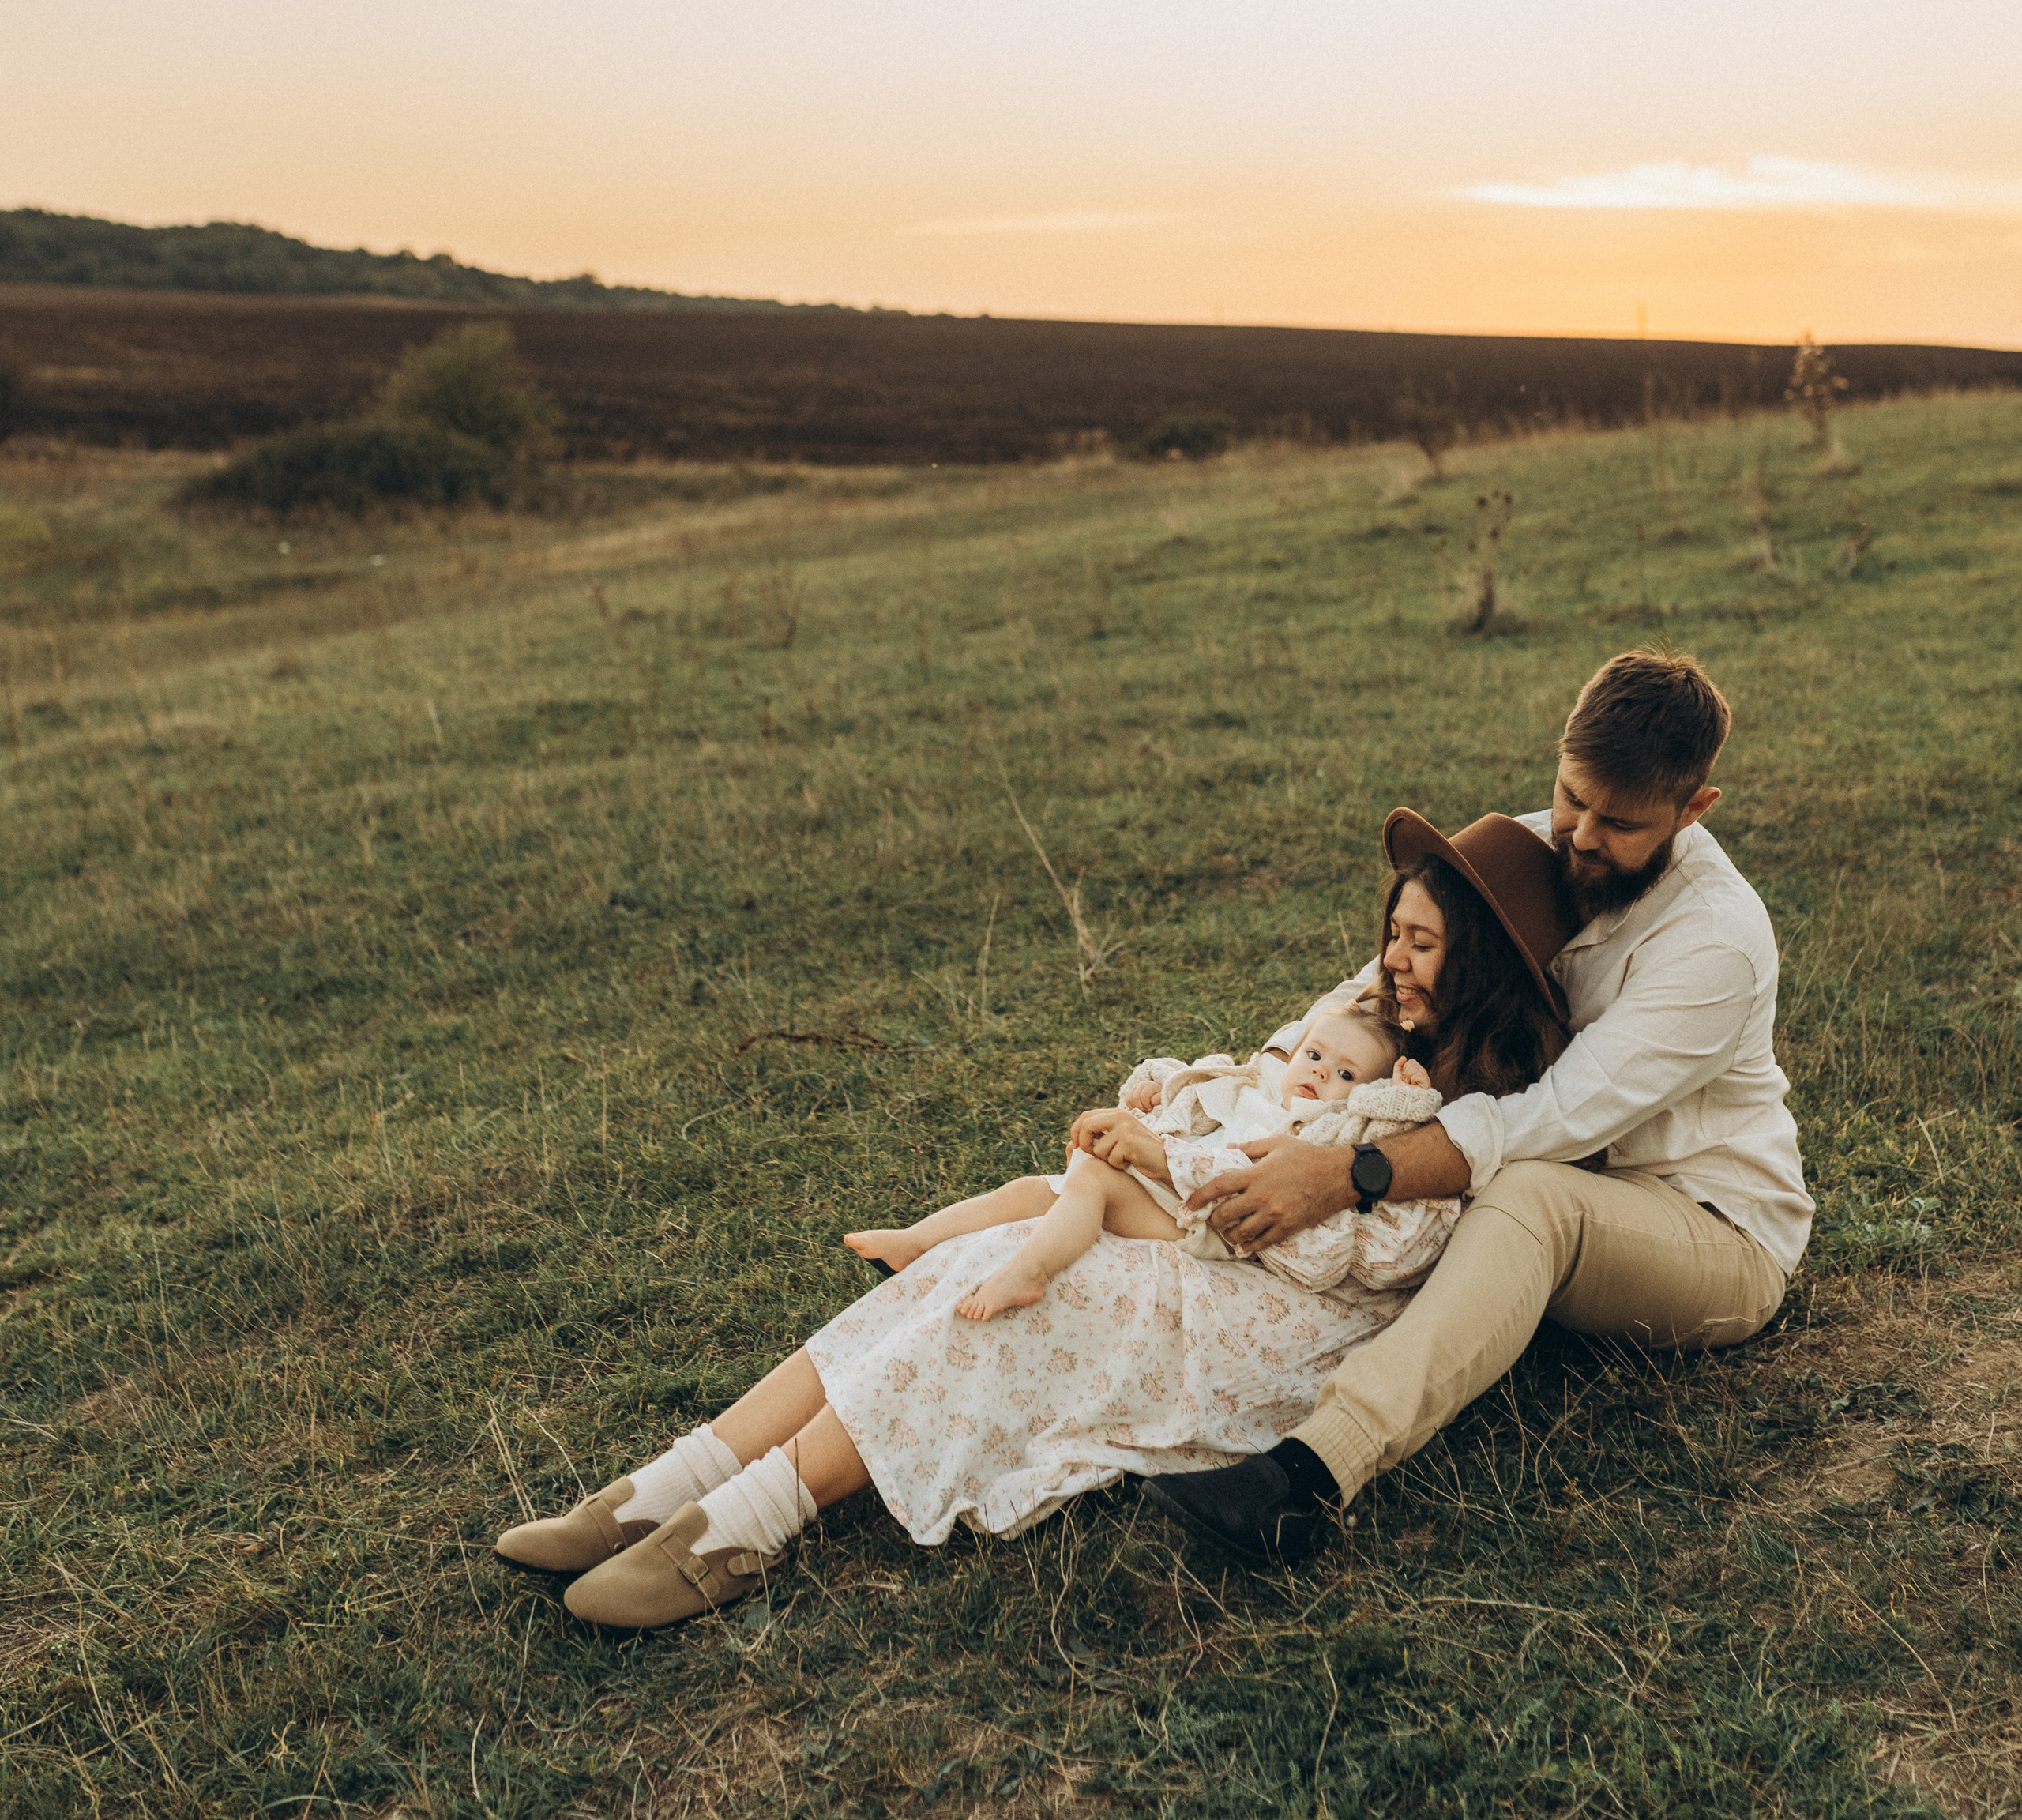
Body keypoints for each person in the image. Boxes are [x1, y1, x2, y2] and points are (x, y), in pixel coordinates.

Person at [490, 821, 1572, 1630]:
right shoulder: (1369, 1033)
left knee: (1037, 1282)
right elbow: (1256, 1097)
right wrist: (1167, 1116)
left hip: (1276, 1327)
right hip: (1200, 1257)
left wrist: (1172, 1163)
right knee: (987, 1251)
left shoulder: (1470, 1115)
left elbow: (1349, 1248)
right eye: (1394, 934)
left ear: (1477, 962)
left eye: (1423, 946)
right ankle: (683, 1478)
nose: (1393, 961)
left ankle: (751, 1523)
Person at [1141, 649, 1813, 1566]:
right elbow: (1388, 977)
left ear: (1693, 810)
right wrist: (1269, 1081)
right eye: (1572, 796)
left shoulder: (1716, 942)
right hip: (1527, 1179)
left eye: (1620, 823)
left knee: (1528, 1192)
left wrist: (1344, 1176)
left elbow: (1551, 1119)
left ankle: (1306, 1478)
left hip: (1706, 1226)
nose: (1579, 835)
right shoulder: (1536, 844)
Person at [840, 1002, 1453, 1318]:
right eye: (1314, 1053)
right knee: (1035, 1187)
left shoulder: (1322, 1133)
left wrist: (1404, 1087)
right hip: (1176, 1188)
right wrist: (1153, 1089)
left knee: (1098, 1181)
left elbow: (1394, 1117)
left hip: (1213, 1223)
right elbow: (1204, 1077)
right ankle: (917, 1240)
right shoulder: (1267, 1086)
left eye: (1345, 1072)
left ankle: (1029, 1270)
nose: (1319, 1071)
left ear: (1367, 1089)